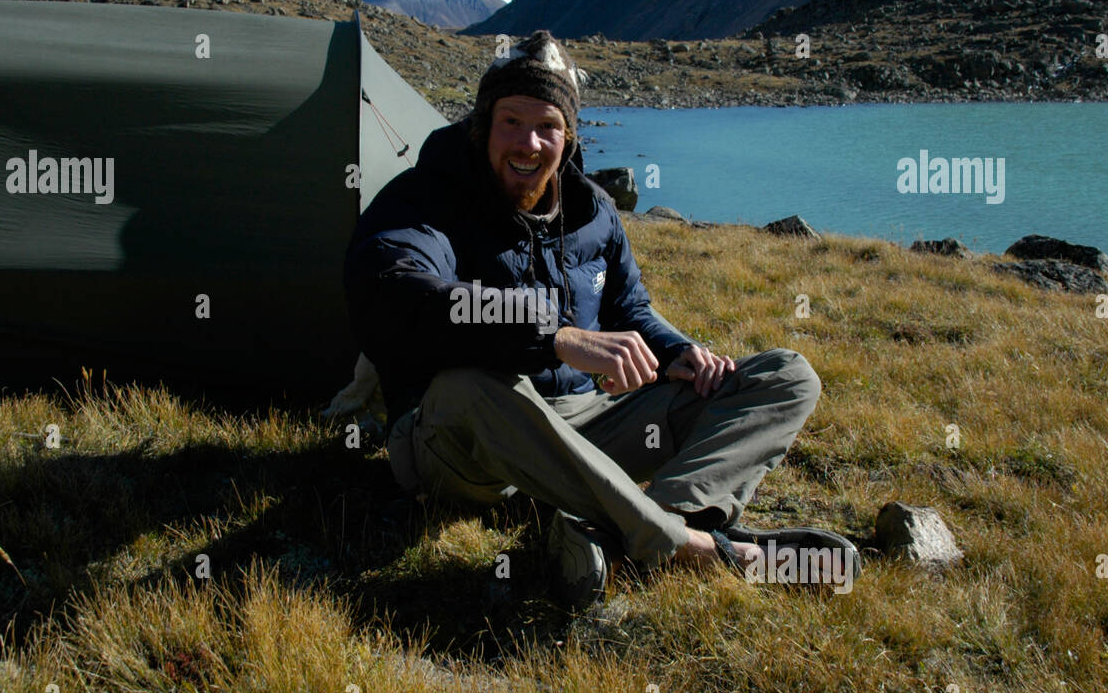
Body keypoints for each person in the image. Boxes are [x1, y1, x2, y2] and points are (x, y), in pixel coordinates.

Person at [344, 30, 857, 606]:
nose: (527, 143)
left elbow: (629, 308)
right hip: (463, 446)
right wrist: (555, 338)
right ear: (482, 124)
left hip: (582, 424)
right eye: (510, 121)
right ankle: (690, 549)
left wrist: (675, 352)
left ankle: (654, 523)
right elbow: (391, 290)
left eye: (547, 127)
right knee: (467, 384)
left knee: (785, 376)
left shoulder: (592, 212)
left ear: (569, 135)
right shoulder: (425, 199)